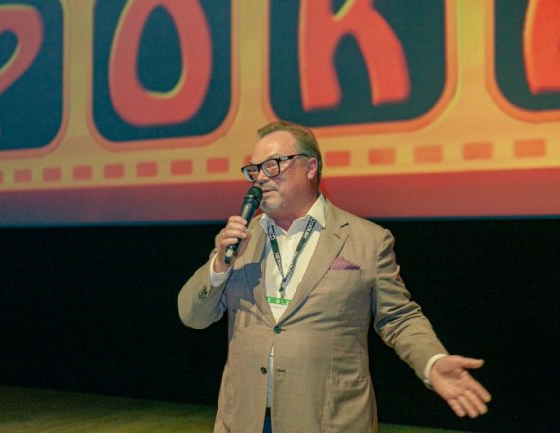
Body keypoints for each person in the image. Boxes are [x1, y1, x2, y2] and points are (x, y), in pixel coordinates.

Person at [178, 120, 491, 433]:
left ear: (310, 167)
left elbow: (398, 317)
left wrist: (432, 361)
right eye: (254, 170)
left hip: (328, 421)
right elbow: (193, 316)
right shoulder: (238, 239)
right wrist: (219, 266)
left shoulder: (368, 240)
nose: (260, 177)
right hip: (243, 420)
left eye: (272, 165)